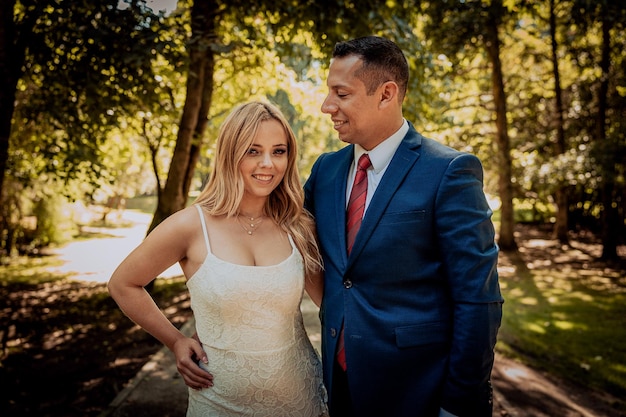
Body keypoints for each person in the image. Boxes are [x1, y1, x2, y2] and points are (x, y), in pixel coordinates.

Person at [304, 36, 503, 417]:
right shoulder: (325, 171)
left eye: (341, 94)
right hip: (340, 384)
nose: (327, 106)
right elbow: (275, 227)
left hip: (419, 390)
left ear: (386, 94)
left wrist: (460, 404)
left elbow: (477, 300)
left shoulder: (450, 171)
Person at [108, 101, 328, 417]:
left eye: (278, 151)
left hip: (298, 397)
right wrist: (175, 341)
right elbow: (123, 283)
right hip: (218, 400)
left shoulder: (299, 226)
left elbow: (332, 304)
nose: (268, 163)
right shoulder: (190, 225)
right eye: (253, 151)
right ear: (229, 153)